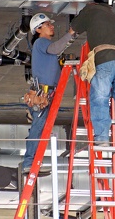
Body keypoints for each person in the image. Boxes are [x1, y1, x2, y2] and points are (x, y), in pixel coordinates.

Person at [70, 0, 115, 147]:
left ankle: (102, 138)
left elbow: (74, 28)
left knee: (99, 99)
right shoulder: (112, 15)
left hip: (104, 60)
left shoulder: (91, 9)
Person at [22, 13, 75, 175]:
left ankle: (32, 162)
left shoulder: (44, 46)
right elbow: (56, 48)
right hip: (42, 94)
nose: (52, 26)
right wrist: (70, 34)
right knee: (37, 130)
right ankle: (29, 163)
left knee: (39, 129)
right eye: (47, 24)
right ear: (38, 29)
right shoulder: (41, 42)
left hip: (45, 94)